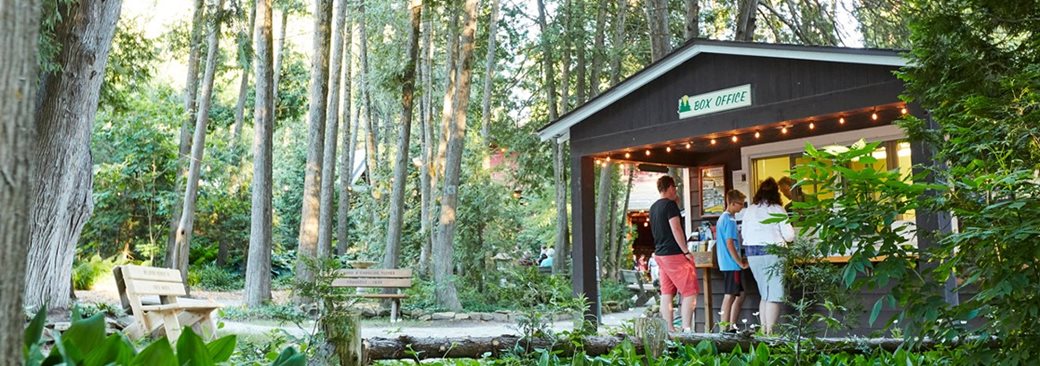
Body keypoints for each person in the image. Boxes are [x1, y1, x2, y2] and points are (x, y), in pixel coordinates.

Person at [743, 178, 796, 335]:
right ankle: (770, 332)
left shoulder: (750, 210)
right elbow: (789, 236)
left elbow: (744, 233)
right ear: (776, 193)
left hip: (752, 253)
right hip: (773, 252)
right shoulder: (777, 209)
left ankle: (763, 330)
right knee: (774, 293)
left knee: (764, 293)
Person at [649, 175, 699, 332]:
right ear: (670, 187)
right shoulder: (670, 206)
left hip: (660, 254)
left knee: (667, 292)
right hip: (674, 254)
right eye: (675, 188)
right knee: (690, 290)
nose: (675, 190)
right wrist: (686, 251)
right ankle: (686, 328)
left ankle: (669, 328)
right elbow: (676, 228)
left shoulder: (654, 207)